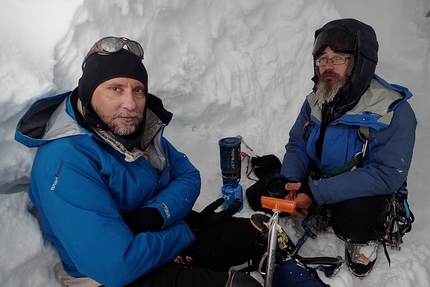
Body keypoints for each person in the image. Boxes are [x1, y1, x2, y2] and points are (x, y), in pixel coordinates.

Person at [15, 37, 265, 287]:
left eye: (138, 90)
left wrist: (156, 214)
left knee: (257, 236)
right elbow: (116, 265)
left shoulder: (136, 132)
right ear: (89, 92)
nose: (131, 104)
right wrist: (182, 231)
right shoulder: (65, 160)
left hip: (158, 239)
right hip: (111, 277)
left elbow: (188, 176)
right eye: (115, 89)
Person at [246, 18, 416, 277]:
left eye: (338, 58)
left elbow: (386, 174)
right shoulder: (318, 99)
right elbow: (298, 144)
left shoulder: (393, 111)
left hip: (362, 189)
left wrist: (314, 192)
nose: (327, 66)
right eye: (322, 59)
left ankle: (364, 240)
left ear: (359, 63)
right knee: (259, 194)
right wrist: (292, 182)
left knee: (354, 219)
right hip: (321, 179)